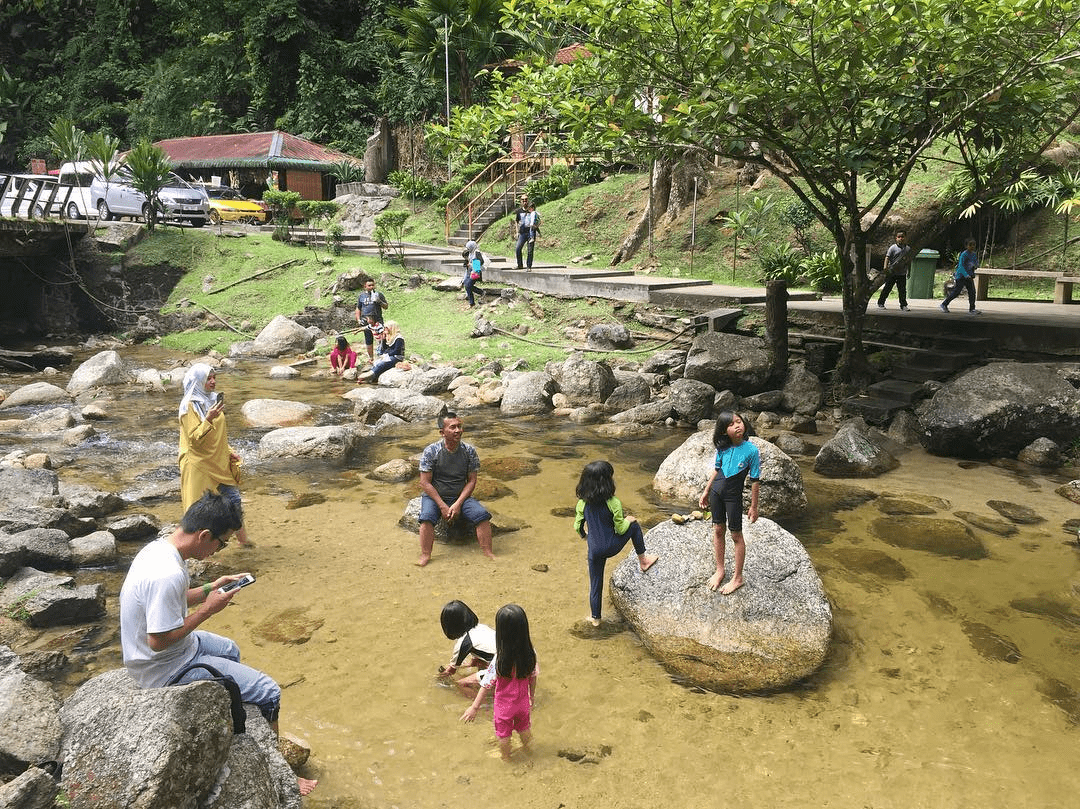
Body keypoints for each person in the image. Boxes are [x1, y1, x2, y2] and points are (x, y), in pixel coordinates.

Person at [119, 491, 317, 796]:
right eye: (221, 543)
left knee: (230, 649)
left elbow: (171, 601)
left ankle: (233, 718)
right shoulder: (167, 573)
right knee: (269, 691)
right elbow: (157, 641)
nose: (220, 549)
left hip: (175, 650)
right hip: (162, 668)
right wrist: (208, 610)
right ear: (205, 535)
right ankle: (279, 772)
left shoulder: (161, 550)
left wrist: (212, 586)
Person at [574, 460, 658, 626]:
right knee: (634, 526)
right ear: (607, 482)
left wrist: (585, 536)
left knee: (595, 584)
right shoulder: (613, 503)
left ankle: (595, 619)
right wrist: (629, 520)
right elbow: (620, 529)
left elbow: (577, 526)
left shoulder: (582, 504)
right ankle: (644, 560)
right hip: (612, 546)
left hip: (594, 550)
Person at [177, 363, 252, 547]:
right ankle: (191, 550)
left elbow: (219, 435)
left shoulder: (213, 400)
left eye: (214, 377)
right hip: (198, 463)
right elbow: (194, 439)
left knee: (234, 501)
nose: (213, 381)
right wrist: (208, 419)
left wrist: (229, 452)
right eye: (208, 378)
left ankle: (244, 542)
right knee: (198, 509)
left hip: (218, 462)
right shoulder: (189, 406)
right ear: (199, 381)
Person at [460, 604, 538, 762]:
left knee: (504, 736)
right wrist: (532, 696)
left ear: (502, 633)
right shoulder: (531, 654)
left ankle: (506, 758)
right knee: (524, 728)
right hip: (523, 702)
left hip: (504, 707)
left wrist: (474, 707)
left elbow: (486, 684)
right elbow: (533, 676)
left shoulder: (500, 659)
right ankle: (529, 750)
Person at [416, 411, 495, 566]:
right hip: (435, 496)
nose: (458, 430)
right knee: (426, 518)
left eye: (459, 426)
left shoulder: (469, 451)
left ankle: (488, 552)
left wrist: (458, 504)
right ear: (442, 432)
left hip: (461, 496)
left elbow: (472, 481)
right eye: (453, 427)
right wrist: (442, 505)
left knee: (482, 516)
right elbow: (425, 483)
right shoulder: (431, 451)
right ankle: (425, 555)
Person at [698, 411, 760, 595]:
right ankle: (720, 570)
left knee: (736, 535)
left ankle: (738, 577)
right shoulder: (722, 448)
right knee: (718, 530)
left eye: (739, 422)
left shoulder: (751, 450)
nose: (738, 426)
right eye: (732, 424)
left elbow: (755, 480)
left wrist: (754, 506)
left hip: (733, 496)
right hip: (717, 493)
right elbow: (717, 470)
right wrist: (706, 491)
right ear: (724, 431)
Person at [436, 600, 496, 697]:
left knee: (461, 684)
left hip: (504, 669)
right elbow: (484, 651)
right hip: (514, 661)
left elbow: (451, 671)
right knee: (479, 663)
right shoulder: (482, 627)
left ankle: (484, 705)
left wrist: (439, 678)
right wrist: (471, 663)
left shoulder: (463, 643)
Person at [940, 238, 981, 314]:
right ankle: (944, 304)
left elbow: (976, 263)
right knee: (956, 292)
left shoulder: (974, 255)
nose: (972, 246)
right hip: (961, 276)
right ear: (966, 246)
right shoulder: (964, 254)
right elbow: (961, 266)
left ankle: (972, 309)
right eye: (970, 245)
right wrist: (965, 275)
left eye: (974, 245)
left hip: (969, 276)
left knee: (972, 292)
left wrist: (976, 266)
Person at [354, 278, 390, 363]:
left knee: (381, 338)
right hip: (366, 320)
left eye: (373, 285)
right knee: (368, 338)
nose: (371, 287)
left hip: (377, 320)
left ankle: (383, 355)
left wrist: (379, 301)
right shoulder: (361, 296)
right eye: (369, 285)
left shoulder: (379, 294)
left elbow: (386, 306)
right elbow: (358, 308)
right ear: (365, 286)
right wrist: (358, 319)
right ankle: (371, 358)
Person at [876, 230, 913, 311]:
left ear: (905, 238)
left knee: (902, 290)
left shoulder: (907, 249)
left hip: (902, 273)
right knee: (887, 288)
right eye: (899, 237)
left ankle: (903, 305)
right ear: (896, 238)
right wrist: (885, 268)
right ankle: (881, 302)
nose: (901, 238)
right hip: (892, 272)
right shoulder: (893, 248)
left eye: (902, 237)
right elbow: (887, 257)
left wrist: (909, 271)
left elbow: (908, 261)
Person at [514, 198, 540, 270]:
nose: (525, 202)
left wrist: (536, 226)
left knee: (530, 250)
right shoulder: (519, 211)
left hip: (531, 233)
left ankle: (529, 266)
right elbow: (516, 221)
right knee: (518, 248)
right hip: (522, 233)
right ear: (521, 201)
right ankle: (520, 265)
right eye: (523, 200)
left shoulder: (532, 211)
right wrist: (517, 232)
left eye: (526, 200)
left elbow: (538, 221)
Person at [461, 240, 487, 308]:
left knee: (468, 285)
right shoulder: (470, 253)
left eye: (468, 247)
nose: (468, 249)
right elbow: (467, 261)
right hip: (470, 272)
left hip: (476, 272)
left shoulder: (477, 253)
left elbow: (481, 262)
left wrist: (472, 265)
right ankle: (480, 293)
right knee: (466, 285)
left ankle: (472, 302)